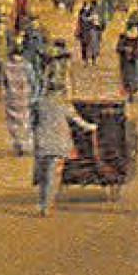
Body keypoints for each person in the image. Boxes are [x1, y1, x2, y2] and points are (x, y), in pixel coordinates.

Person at [30, 82, 97, 216]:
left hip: (42, 144)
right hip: (59, 145)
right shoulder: (64, 106)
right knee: (52, 176)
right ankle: (47, 206)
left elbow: (32, 122)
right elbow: (79, 122)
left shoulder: (39, 104)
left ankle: (42, 203)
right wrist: (93, 127)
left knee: (43, 176)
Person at [0, 44, 38, 156]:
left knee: (13, 123)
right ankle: (23, 144)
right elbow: (33, 82)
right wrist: (34, 96)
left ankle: (18, 143)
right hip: (24, 97)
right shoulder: (27, 66)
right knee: (26, 122)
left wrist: (4, 94)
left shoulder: (6, 66)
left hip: (13, 98)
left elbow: (3, 82)